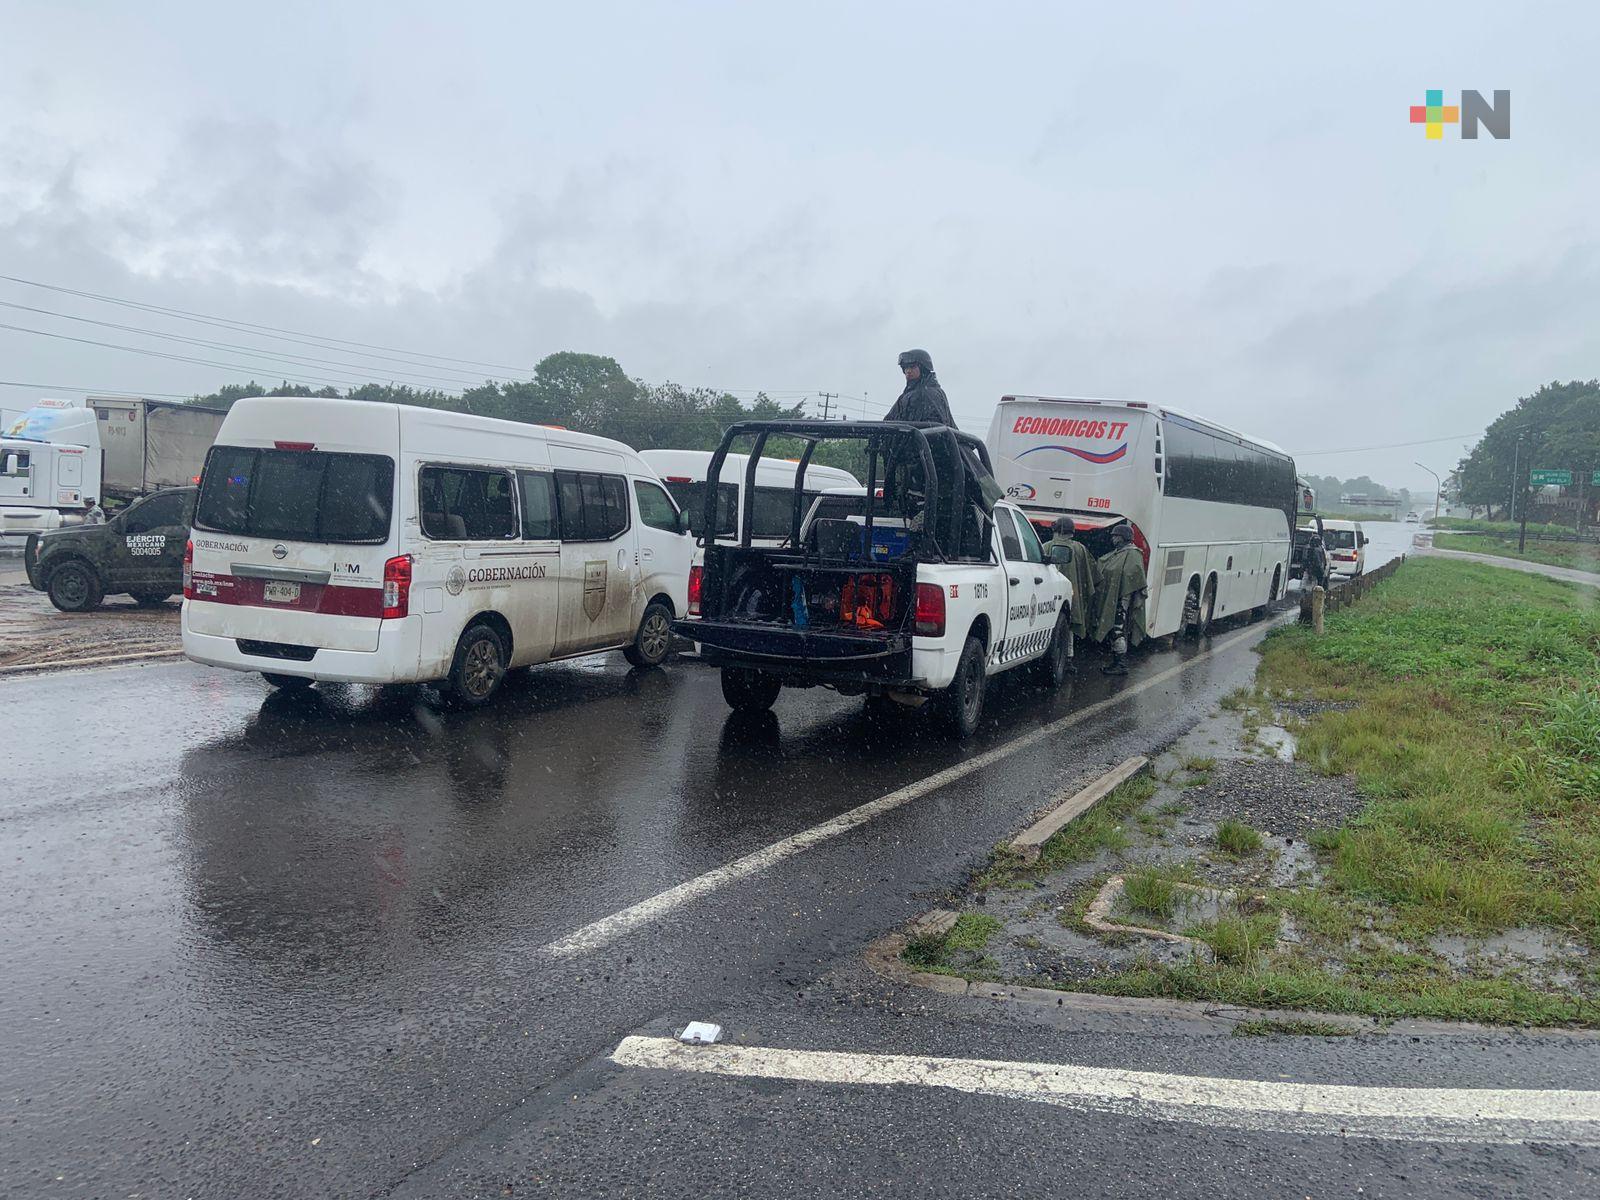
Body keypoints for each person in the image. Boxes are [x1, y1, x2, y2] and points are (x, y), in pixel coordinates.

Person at [1044, 516, 1100, 674]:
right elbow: (1091, 575)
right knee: (1067, 627)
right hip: (1072, 596)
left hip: (1048, 597)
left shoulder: (1046, 546)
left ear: (1055, 530)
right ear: (1072, 531)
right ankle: (1067, 659)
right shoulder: (1080, 549)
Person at [1091, 523, 1148, 676]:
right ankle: (1117, 662)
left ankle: (1120, 664)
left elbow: (1133, 575)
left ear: (1124, 537)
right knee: (1114, 630)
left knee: (1117, 630)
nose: (1113, 539)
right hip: (1113, 599)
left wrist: (1122, 598)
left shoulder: (1133, 554)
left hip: (1122, 600)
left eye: (1116, 536)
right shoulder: (1117, 553)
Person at [884, 349, 954, 426]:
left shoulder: (931, 393)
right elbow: (887, 423)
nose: (908, 371)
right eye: (905, 368)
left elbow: (935, 428)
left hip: (922, 437)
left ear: (923, 368)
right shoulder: (903, 398)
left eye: (912, 366)